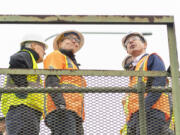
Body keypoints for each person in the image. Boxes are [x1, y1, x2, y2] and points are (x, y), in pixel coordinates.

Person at [121, 32, 171, 135]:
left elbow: (159, 82)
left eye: (134, 39)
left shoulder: (152, 58)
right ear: (127, 50)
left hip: (151, 111)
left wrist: (144, 107)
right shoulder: (135, 71)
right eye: (127, 42)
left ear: (145, 44)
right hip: (136, 116)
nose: (130, 41)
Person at [1, 34, 48, 135]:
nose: (45, 51)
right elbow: (16, 59)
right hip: (23, 108)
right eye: (43, 48)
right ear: (33, 46)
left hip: (26, 110)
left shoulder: (31, 61)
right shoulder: (26, 54)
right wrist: (22, 89)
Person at [44, 30, 86, 135]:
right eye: (72, 39)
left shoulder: (73, 65)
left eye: (77, 41)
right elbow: (52, 80)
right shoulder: (56, 55)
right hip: (61, 109)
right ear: (60, 43)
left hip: (74, 112)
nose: (75, 42)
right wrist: (60, 105)